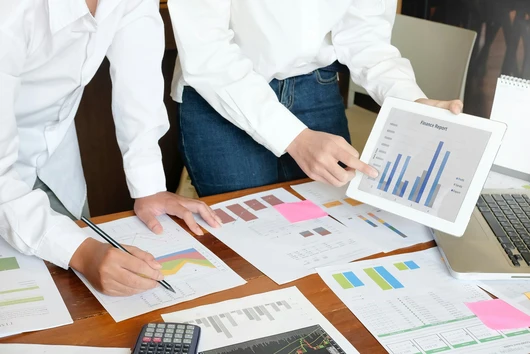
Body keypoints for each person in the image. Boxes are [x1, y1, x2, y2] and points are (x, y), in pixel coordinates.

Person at [0, 0, 220, 297]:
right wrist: (82, 252)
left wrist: (149, 186)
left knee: (74, 299)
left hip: (55, 157)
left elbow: (139, 80)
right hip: (5, 172)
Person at [167, 0, 464, 197]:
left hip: (315, 84)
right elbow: (207, 51)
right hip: (223, 96)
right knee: (245, 246)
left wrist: (410, 100)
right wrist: (294, 138)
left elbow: (364, 36)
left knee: (331, 231)